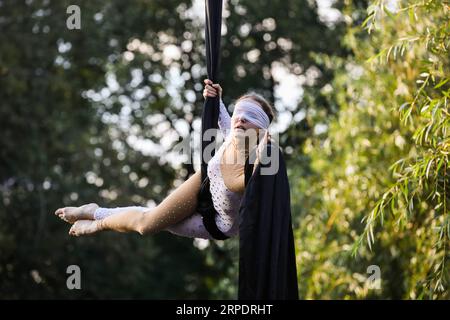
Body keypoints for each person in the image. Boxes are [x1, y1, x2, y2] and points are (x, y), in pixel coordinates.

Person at [55, 79, 275, 239]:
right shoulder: (232, 134)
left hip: (214, 222)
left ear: (261, 131)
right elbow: (224, 117)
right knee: (148, 218)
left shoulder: (255, 167)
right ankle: (95, 211)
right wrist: (215, 96)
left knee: (146, 225)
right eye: (239, 114)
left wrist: (266, 151)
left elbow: (254, 179)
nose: (240, 121)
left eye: (250, 118)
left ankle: (97, 222)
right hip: (206, 181)